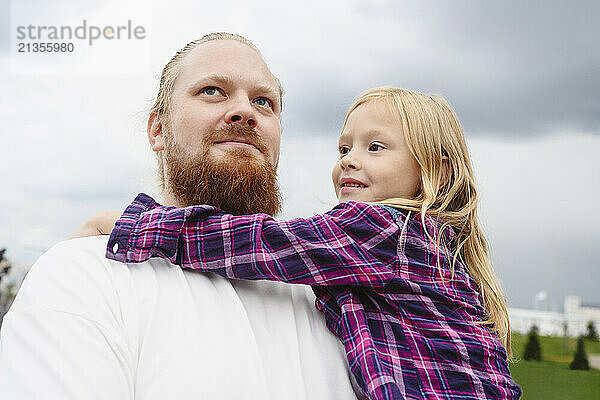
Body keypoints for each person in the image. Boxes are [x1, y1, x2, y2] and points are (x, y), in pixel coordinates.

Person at [82, 87, 523, 399]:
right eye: (344, 147)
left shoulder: (386, 229)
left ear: (436, 173)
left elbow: (258, 243)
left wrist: (138, 225)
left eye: (375, 147)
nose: (350, 158)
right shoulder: (434, 246)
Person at [0, 33, 360, 399]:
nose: (245, 111)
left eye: (264, 101)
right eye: (212, 91)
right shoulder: (83, 274)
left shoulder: (337, 302)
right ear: (159, 130)